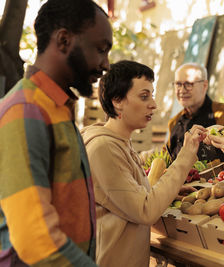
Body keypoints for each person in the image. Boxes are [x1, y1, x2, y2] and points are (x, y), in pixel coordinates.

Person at [0, 0, 112, 266]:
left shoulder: (57, 108)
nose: (106, 64)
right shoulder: (27, 110)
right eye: (100, 49)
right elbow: (35, 239)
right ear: (64, 40)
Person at [80, 60, 205, 267]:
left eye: (152, 95)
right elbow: (145, 210)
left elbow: (129, 197)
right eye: (144, 96)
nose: (153, 104)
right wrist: (185, 156)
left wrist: (170, 188)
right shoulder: (104, 148)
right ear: (117, 100)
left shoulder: (119, 142)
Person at [167, 62, 224, 161]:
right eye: (178, 84)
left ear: (204, 85)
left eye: (188, 84)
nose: (182, 90)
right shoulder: (173, 123)